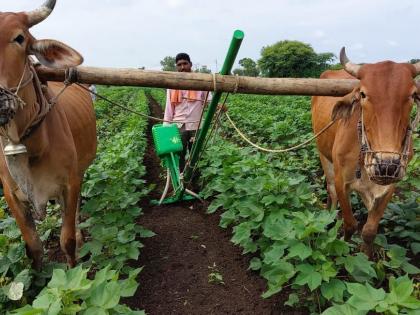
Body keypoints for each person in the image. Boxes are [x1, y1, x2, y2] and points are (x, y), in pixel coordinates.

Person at [163, 53, 211, 172]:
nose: (183, 67)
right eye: (179, 65)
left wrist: (218, 106)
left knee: (196, 155)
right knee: (179, 155)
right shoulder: (172, 85)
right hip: (178, 126)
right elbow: (169, 108)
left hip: (196, 125)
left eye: (185, 63)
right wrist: (166, 128)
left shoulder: (201, 82)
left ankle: (195, 181)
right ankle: (181, 179)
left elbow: (209, 100)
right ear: (176, 67)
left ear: (190, 64)